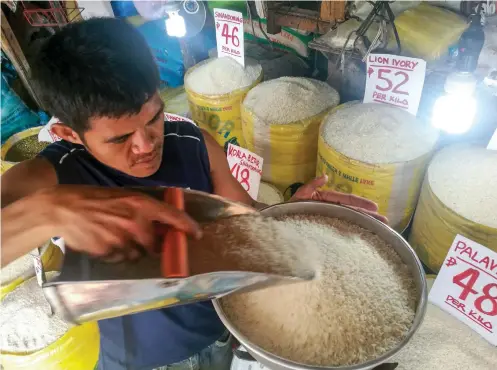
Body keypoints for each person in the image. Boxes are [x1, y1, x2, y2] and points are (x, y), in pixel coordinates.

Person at [1, 18, 386, 370]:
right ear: (70, 133)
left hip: (218, 328)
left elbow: (246, 216)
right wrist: (49, 210)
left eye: (153, 117)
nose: (146, 144)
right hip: (138, 359)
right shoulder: (50, 176)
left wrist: (295, 212)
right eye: (120, 138)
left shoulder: (194, 142)